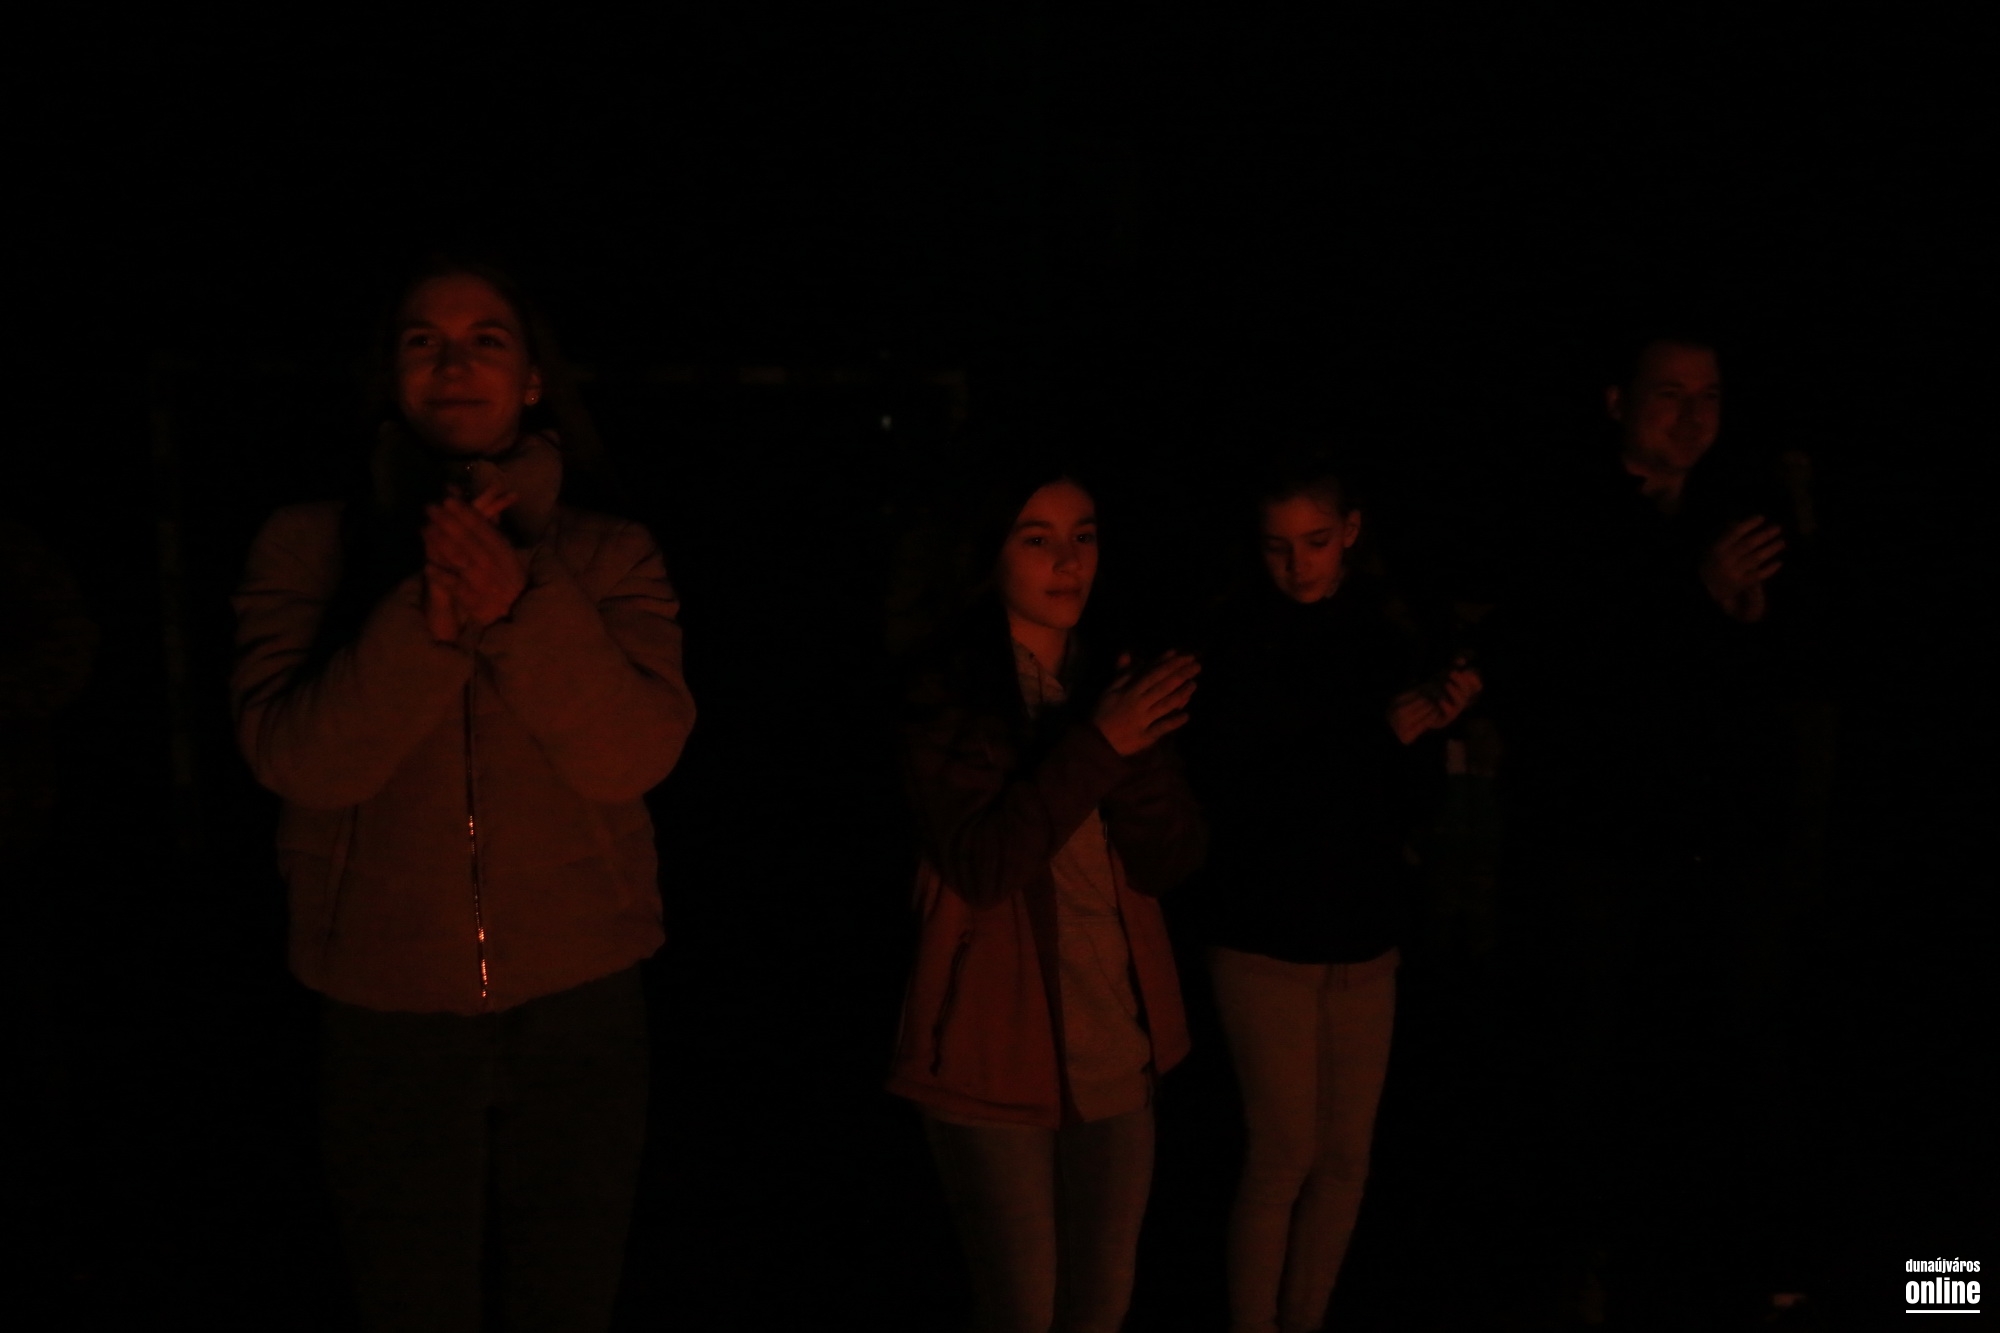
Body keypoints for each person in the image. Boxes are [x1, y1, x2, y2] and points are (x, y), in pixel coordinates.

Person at [230, 260, 694, 1332]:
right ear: (390, 373)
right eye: (423, 340)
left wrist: (522, 603)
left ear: (532, 377)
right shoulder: (308, 544)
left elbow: (633, 754)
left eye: (486, 338)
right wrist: (422, 625)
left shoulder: (608, 553)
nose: (453, 363)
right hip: (383, 1006)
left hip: (580, 998)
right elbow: (297, 759)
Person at [1492, 331, 1825, 1323]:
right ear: (1616, 400)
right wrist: (1693, 596)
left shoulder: (1738, 508)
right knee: (1583, 1059)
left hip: (1713, 847)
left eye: (1708, 394)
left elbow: (1782, 669)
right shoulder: (1568, 513)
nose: (1692, 415)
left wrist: (1753, 616)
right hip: (1598, 847)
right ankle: (1571, 1261)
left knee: (1719, 1053)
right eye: (1669, 394)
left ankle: (1727, 1257)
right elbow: (1565, 672)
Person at [886, 457, 1206, 1333]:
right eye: (1038, 539)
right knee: (1023, 1306)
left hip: (1116, 1046)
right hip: (992, 1050)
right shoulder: (947, 696)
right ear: (991, 552)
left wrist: (1135, 746)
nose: (1069, 561)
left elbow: (1170, 859)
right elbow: (985, 864)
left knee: (1101, 1304)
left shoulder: (1111, 679)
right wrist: (1100, 743)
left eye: (1083, 537)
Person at [1187, 462, 1479, 1333]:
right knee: (1282, 1153)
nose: (1297, 564)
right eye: (1278, 546)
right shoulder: (1237, 637)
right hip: (1264, 933)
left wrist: (1431, 723)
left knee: (1346, 1158)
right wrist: (1377, 735)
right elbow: (1248, 793)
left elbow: (1408, 799)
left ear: (1350, 531)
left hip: (1362, 930)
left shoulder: (1386, 632)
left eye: (1314, 542)